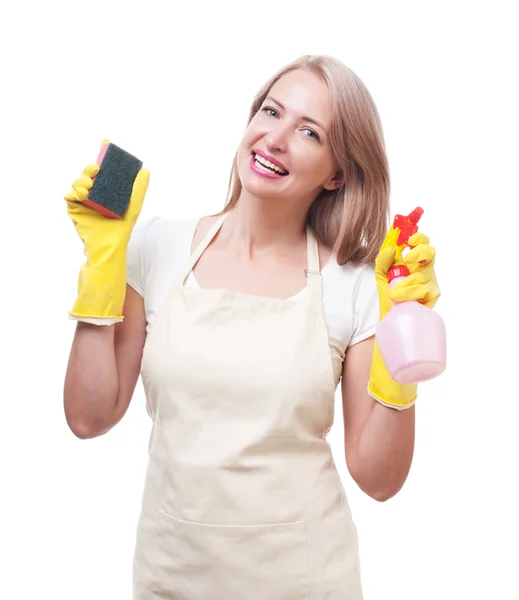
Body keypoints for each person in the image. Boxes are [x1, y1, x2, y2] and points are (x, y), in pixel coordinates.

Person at [63, 54, 440, 599]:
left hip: (307, 581)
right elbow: (88, 416)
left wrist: (404, 344)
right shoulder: (156, 246)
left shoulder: (353, 284)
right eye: (271, 111)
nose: (276, 138)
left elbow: (379, 481)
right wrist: (102, 266)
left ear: (338, 172)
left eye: (309, 132)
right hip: (170, 576)